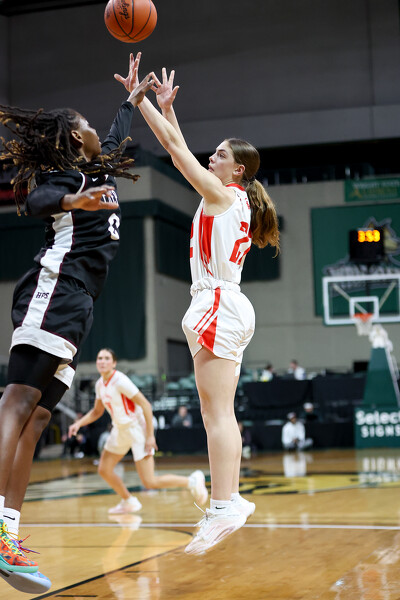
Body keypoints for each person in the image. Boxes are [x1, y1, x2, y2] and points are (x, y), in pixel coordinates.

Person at [0, 56, 153, 592]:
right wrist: (70, 199)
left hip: (81, 302)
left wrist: (130, 102)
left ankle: (7, 533)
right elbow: (38, 199)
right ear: (71, 137)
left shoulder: (100, 167)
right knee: (17, 401)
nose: (94, 130)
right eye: (85, 123)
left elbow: (113, 137)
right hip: (55, 287)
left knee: (39, 417)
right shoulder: (65, 177)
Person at [130, 55, 280, 554]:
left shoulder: (223, 194)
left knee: (218, 415)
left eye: (218, 154)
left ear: (237, 169)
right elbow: (180, 147)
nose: (209, 157)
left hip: (217, 301)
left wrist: (141, 102)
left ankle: (224, 505)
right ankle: (227, 501)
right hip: (221, 301)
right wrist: (167, 109)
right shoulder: (228, 196)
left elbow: (176, 153)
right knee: (217, 412)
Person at [68, 348, 207, 513]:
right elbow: (97, 412)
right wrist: (79, 423)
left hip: (137, 429)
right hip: (119, 430)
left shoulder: (120, 380)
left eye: (106, 358)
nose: (102, 361)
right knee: (104, 469)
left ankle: (192, 481)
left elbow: (146, 405)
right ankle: (128, 501)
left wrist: (150, 436)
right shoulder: (99, 385)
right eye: (99, 358)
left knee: (149, 482)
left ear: (114, 363)